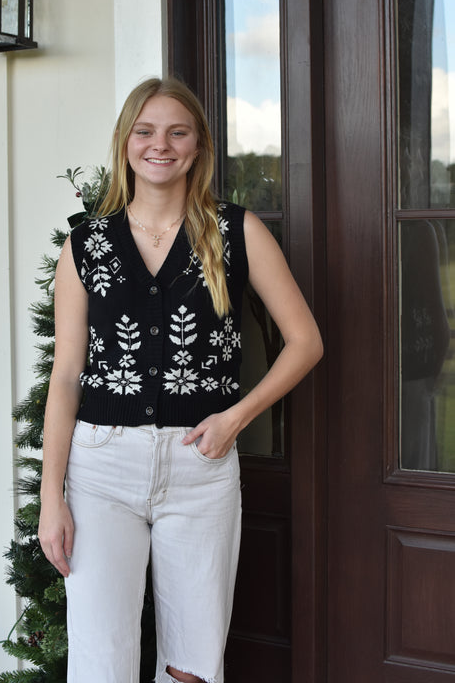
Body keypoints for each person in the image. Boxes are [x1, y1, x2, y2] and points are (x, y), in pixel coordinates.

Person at [38, 76, 323, 683]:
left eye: (177, 132)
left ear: (198, 146)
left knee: (192, 665)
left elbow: (306, 342)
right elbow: (66, 378)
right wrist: (50, 497)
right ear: (124, 142)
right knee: (99, 662)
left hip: (202, 466)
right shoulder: (84, 245)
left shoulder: (236, 233)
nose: (159, 145)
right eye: (145, 131)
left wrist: (236, 418)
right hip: (101, 470)